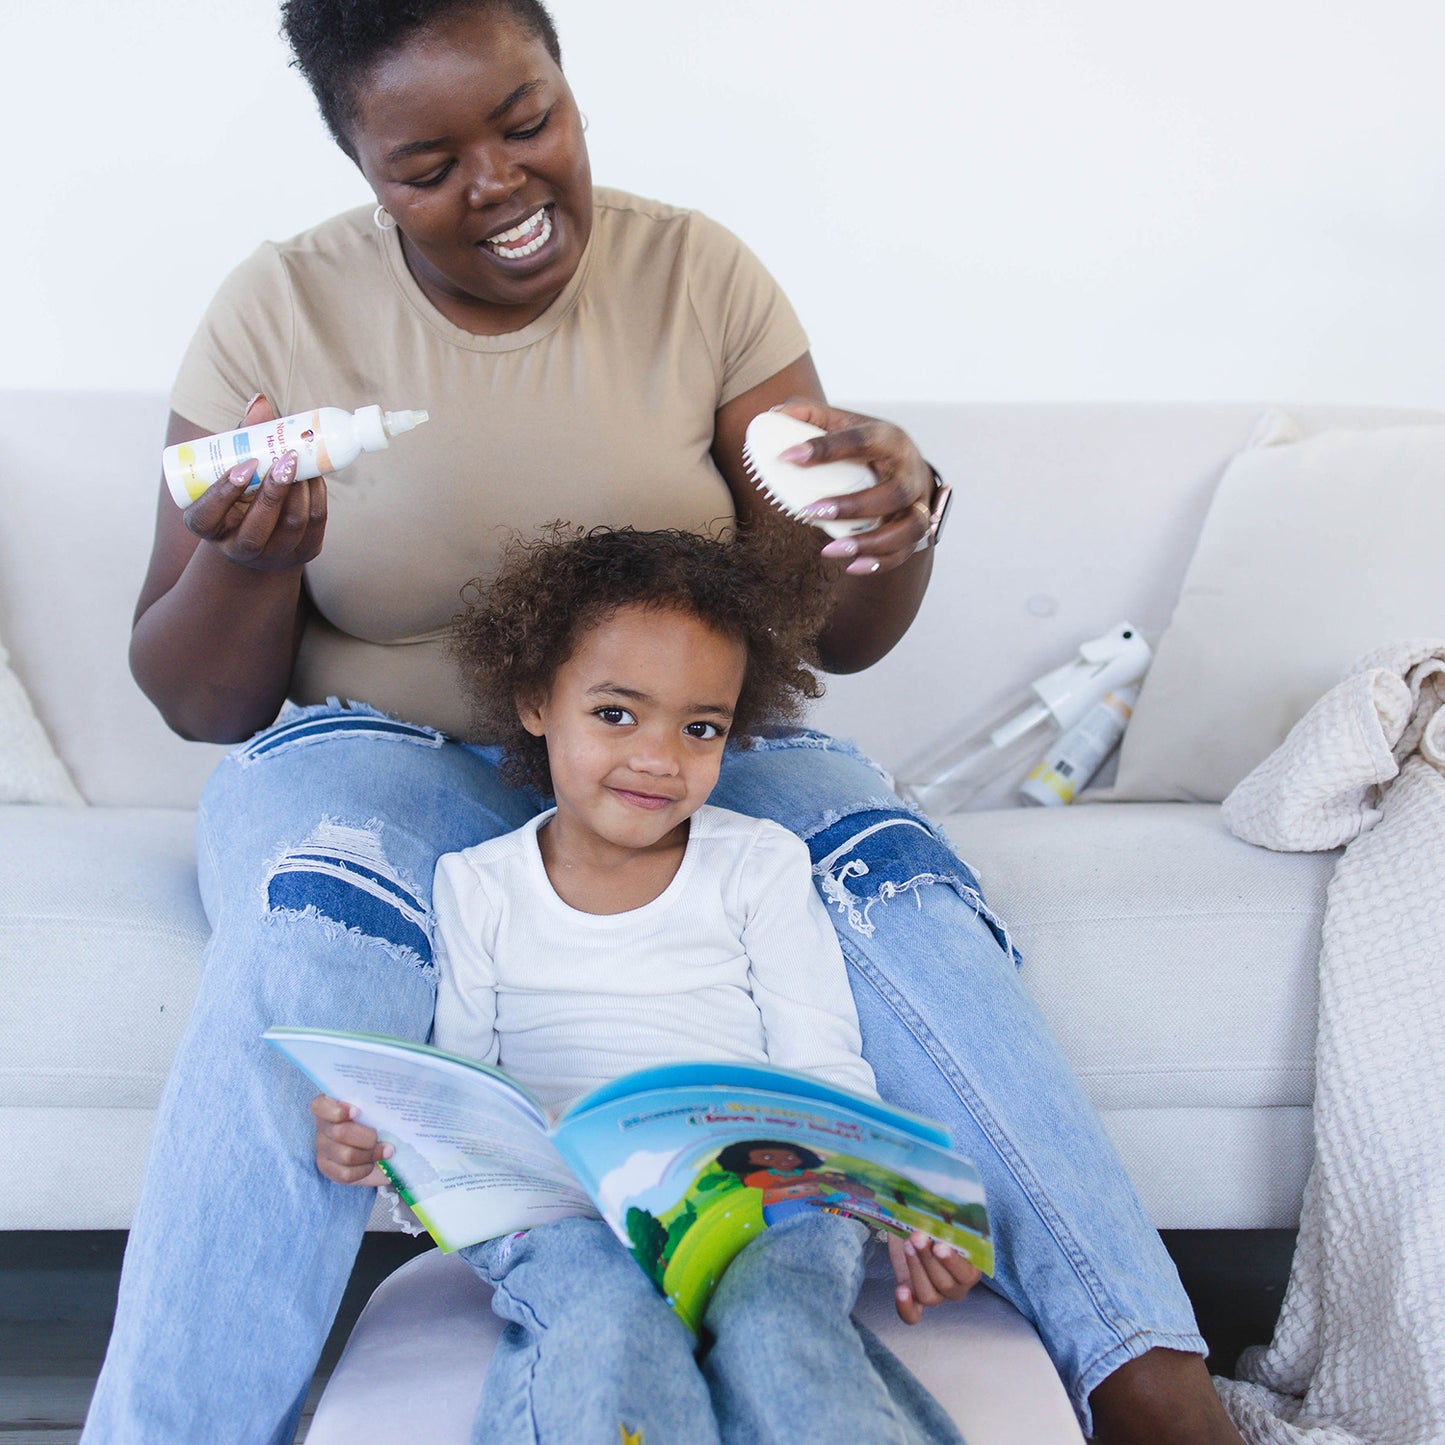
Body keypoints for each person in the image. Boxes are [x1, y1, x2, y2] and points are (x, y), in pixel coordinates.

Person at [88, 1, 1243, 1441]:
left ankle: (1152, 1385)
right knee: (317, 932)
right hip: (385, 762)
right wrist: (249, 558)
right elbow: (195, 697)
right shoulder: (278, 311)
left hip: (685, 751)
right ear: (358, 164)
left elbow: (835, 633)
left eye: (526, 124)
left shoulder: (697, 275)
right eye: (428, 164)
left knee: (885, 877)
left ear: (565, 87)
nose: (499, 184)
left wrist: (894, 520)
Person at [312, 524, 966, 1444]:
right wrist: (383, 1146)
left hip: (760, 1194)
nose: (660, 757)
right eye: (617, 714)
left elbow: (825, 1064)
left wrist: (894, 1200)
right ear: (537, 701)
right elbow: (463, 1092)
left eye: (700, 727)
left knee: (781, 1326)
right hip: (560, 1204)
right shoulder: (479, 884)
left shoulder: (759, 865)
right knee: (604, 1317)